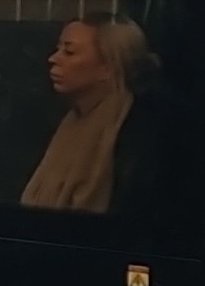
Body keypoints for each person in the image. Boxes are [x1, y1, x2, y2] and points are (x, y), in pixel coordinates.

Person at [22, 13, 157, 214]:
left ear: (108, 68)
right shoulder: (67, 120)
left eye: (69, 52)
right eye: (58, 49)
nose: (53, 59)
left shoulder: (135, 134)